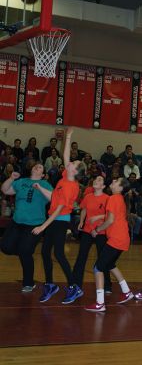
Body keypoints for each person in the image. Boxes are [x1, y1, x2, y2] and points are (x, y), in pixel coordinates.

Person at [32, 128, 83, 303]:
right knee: (46, 252)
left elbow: (59, 209)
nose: (70, 162)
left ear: (75, 172)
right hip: (55, 218)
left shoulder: (70, 186)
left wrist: (43, 226)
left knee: (59, 254)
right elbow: (54, 197)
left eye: (74, 164)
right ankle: (50, 285)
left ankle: (73, 287)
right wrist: (68, 137)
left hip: (60, 220)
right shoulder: (65, 178)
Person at [0, 164, 52, 292]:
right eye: (36, 166)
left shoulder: (45, 184)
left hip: (34, 224)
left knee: (25, 252)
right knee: (5, 247)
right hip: (17, 222)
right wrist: (11, 178)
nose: (37, 167)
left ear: (43, 174)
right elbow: (5, 190)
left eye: (40, 167)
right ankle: (25, 250)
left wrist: (39, 187)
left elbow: (53, 198)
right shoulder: (22, 181)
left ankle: (29, 283)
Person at [84, 177, 134, 312]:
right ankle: (127, 291)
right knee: (110, 265)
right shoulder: (119, 199)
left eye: (116, 181)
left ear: (120, 188)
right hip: (122, 239)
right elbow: (112, 218)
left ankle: (100, 303)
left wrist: (97, 229)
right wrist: (100, 220)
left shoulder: (113, 198)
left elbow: (110, 220)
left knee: (98, 268)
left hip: (116, 239)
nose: (113, 181)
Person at [65, 175, 112, 304]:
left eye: (100, 180)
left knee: (103, 259)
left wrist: (97, 218)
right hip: (87, 231)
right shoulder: (88, 197)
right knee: (81, 257)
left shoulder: (107, 199)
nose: (97, 181)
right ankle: (76, 284)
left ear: (103, 186)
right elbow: (84, 209)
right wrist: (81, 221)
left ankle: (107, 285)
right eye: (96, 179)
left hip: (101, 232)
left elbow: (109, 215)